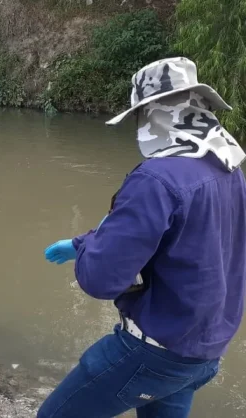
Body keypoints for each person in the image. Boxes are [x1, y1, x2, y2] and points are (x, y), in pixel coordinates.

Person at [38, 57, 246, 418]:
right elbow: (185, 241)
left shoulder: (155, 179)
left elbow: (102, 280)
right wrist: (80, 243)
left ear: (153, 115)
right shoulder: (230, 168)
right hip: (205, 352)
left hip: (151, 354)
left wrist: (88, 252)